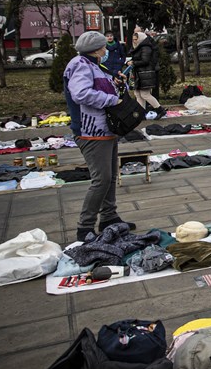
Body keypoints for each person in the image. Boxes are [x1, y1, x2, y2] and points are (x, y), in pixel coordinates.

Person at [64, 31, 134, 241]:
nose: (106, 50)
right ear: (95, 49)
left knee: (110, 177)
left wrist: (119, 84)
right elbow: (81, 94)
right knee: (101, 179)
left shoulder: (95, 65)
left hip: (105, 129)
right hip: (91, 131)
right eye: (103, 47)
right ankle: (85, 227)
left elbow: (105, 89)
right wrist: (113, 101)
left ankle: (109, 218)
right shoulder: (80, 65)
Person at [130, 31, 162, 113]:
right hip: (139, 74)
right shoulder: (137, 47)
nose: (134, 41)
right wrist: (130, 62)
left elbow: (145, 61)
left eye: (136, 39)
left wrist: (134, 63)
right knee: (138, 95)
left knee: (145, 94)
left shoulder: (145, 47)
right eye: (133, 39)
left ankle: (160, 110)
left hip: (145, 74)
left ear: (140, 39)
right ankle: (141, 113)